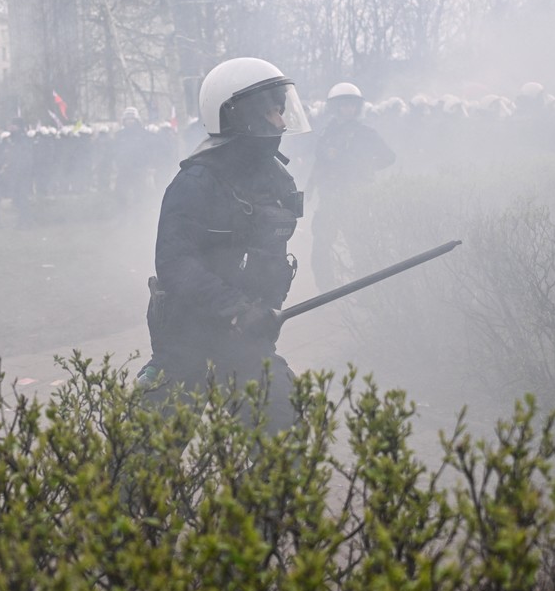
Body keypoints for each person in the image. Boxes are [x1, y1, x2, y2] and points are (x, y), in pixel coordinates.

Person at [139, 57, 311, 432]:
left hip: (246, 347)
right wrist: (236, 309)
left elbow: (268, 259)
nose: (281, 122)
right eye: (270, 112)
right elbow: (175, 263)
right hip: (186, 344)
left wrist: (262, 312)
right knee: (139, 459)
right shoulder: (197, 182)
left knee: (287, 446)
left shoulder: (276, 181)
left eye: (281, 110)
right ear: (239, 115)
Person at [307, 82, 396, 290]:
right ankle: (326, 291)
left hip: (354, 198)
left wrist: (362, 168)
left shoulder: (366, 133)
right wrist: (309, 188)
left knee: (359, 247)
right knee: (320, 246)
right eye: (344, 104)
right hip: (329, 198)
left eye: (352, 105)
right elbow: (319, 162)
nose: (348, 109)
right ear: (335, 107)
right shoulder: (327, 133)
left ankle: (364, 291)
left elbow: (388, 157)